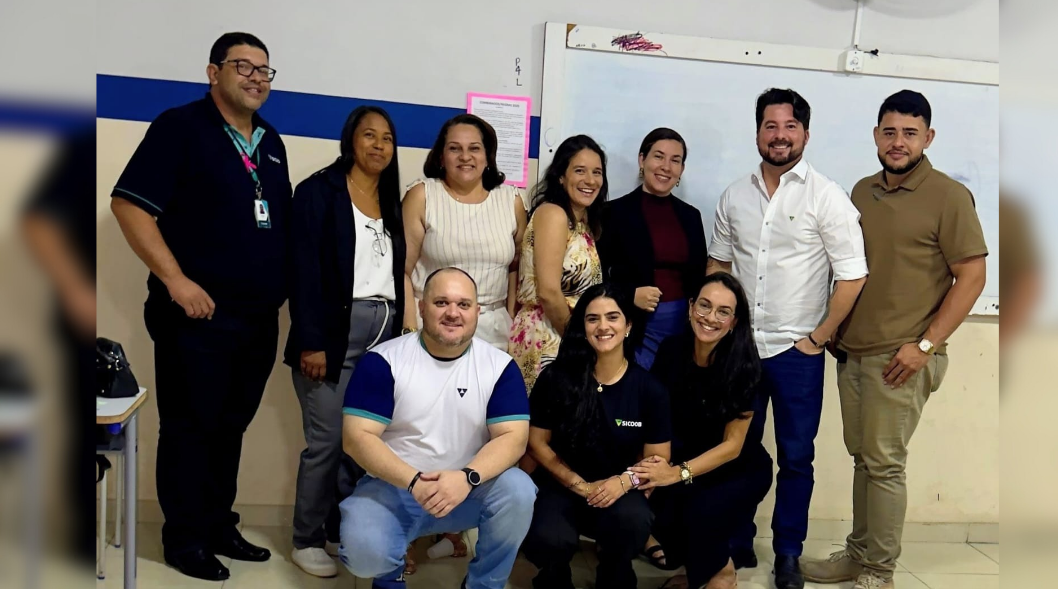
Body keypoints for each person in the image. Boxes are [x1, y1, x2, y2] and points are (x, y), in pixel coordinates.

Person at [109, 32, 288, 581]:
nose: (256, 78)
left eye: (264, 70)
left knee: (230, 427)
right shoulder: (180, 128)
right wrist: (176, 281)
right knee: (191, 428)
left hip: (256, 319)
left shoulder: (271, 141)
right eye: (243, 66)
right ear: (214, 72)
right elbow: (129, 205)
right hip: (196, 317)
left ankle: (216, 525)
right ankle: (184, 539)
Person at [801, 90, 987, 589]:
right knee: (864, 460)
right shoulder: (863, 191)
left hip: (902, 355)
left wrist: (925, 346)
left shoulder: (949, 196)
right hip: (853, 352)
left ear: (928, 137)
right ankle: (858, 555)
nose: (898, 142)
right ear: (876, 136)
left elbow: (972, 277)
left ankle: (879, 572)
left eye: (909, 133)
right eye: (889, 132)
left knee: (884, 464)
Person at [707, 88, 868, 589]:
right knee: (736, 450)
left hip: (797, 354)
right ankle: (736, 542)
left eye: (790, 126)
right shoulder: (735, 195)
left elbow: (853, 276)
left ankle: (788, 553)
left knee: (796, 457)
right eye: (770, 125)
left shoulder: (827, 196)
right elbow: (718, 265)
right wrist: (718, 329)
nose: (779, 135)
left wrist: (818, 337)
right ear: (758, 131)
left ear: (805, 134)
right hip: (741, 351)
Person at [338, 267, 537, 589]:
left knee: (519, 490)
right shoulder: (384, 360)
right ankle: (389, 576)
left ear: (477, 311)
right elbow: (356, 438)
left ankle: (484, 584)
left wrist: (467, 477)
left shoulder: (499, 366)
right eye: (441, 302)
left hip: (467, 489)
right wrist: (413, 482)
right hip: (395, 487)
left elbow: (513, 438)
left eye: (463, 304)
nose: (453, 313)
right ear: (421, 307)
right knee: (364, 555)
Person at [282, 106, 406, 578]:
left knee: (364, 440)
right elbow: (303, 272)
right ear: (350, 140)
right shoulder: (318, 192)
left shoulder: (391, 198)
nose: (379, 145)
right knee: (328, 441)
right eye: (369, 135)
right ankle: (306, 538)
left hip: (383, 335)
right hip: (332, 336)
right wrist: (311, 342)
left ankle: (340, 531)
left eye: (387, 138)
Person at [522, 283, 671, 589]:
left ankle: (615, 571)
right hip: (561, 486)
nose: (603, 326)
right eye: (593, 319)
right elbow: (536, 442)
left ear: (628, 326)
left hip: (618, 490)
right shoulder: (556, 378)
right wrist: (578, 484)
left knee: (634, 519)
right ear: (583, 327)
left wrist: (623, 482)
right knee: (549, 537)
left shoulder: (649, 388)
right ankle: (553, 574)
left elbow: (659, 458)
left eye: (613, 317)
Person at [632, 273, 773, 589]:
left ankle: (722, 573)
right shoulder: (671, 350)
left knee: (699, 510)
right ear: (690, 307)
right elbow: (655, 417)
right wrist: (652, 466)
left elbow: (732, 446)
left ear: (734, 322)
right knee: (650, 502)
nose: (710, 317)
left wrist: (675, 474)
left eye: (723, 312)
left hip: (737, 469)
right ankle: (701, 571)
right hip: (686, 458)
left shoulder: (746, 365)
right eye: (704, 306)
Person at [403, 114, 527, 351]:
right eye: (454, 148)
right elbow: (403, 270)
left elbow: (516, 267)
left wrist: (512, 317)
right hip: (433, 328)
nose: (465, 156)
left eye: (474, 148)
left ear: (487, 156)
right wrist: (408, 327)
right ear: (441, 156)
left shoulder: (512, 201)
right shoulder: (422, 195)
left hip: (495, 331)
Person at [598, 127, 708, 370]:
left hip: (684, 329)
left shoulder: (691, 216)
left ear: (681, 170)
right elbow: (597, 276)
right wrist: (628, 294)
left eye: (675, 160)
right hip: (635, 326)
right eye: (658, 156)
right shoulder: (613, 213)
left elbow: (699, 275)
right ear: (642, 160)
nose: (666, 167)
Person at [510, 135, 606, 391]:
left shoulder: (583, 223)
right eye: (580, 170)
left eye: (597, 172)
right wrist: (577, 342)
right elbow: (549, 292)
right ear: (561, 176)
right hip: (547, 336)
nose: (590, 180)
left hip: (566, 335)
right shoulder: (553, 214)